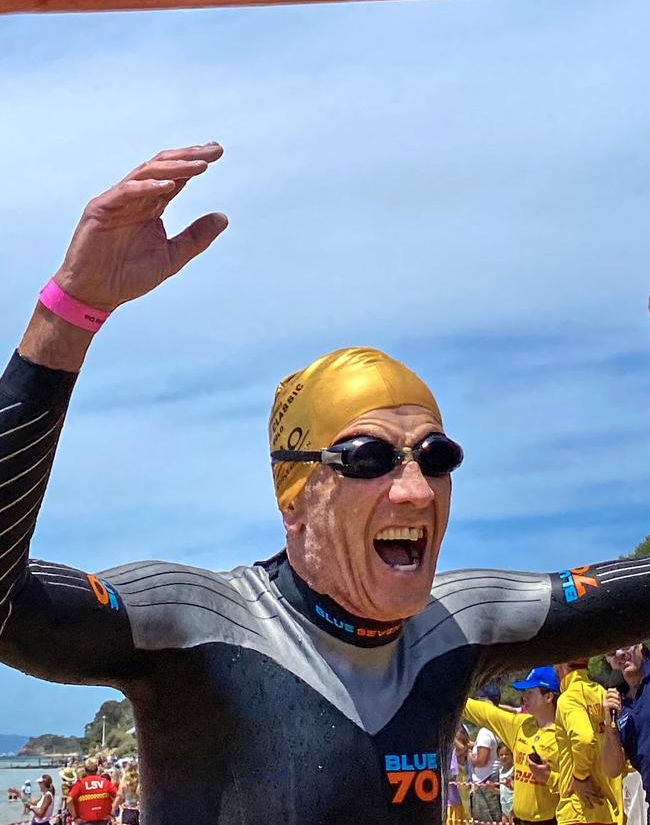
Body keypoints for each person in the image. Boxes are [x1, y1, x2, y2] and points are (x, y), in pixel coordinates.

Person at [2, 144, 650, 824]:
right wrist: (67, 313)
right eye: (368, 459)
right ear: (295, 501)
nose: (417, 491)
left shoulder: (458, 626)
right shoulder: (197, 626)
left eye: (437, 457)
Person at [463, 666, 561, 825]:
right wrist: (455, 699)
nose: (524, 698)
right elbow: (486, 713)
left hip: (549, 821)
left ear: (549, 696)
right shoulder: (521, 725)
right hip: (518, 820)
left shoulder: (562, 735)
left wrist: (549, 777)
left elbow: (575, 785)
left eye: (530, 692)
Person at [553, 660, 622, 825]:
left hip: (580, 809)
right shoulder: (603, 693)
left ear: (560, 665)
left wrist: (580, 777)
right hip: (608, 808)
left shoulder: (568, 699)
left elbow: (584, 739)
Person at [601, 644, 650, 821]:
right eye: (612, 652)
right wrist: (609, 728)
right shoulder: (617, 702)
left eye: (625, 645)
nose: (620, 654)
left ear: (640, 644)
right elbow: (612, 769)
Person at [469, 684, 503, 825]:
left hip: (484, 781)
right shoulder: (497, 725)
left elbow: (482, 760)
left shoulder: (485, 731)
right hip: (494, 778)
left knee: (484, 820)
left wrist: (470, 756)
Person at [67, 758, 117, 825]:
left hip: (85, 821)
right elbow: (119, 796)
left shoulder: (80, 784)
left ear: (85, 770)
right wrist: (111, 812)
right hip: (103, 820)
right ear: (97, 769)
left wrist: (75, 817)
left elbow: (69, 801)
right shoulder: (105, 782)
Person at [448, 726, 473, 825]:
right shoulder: (452, 764)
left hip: (467, 803)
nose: (456, 750)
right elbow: (461, 747)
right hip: (455, 803)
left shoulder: (469, 761)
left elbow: (463, 747)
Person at [498, 743, 515, 825]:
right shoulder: (500, 771)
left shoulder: (514, 769)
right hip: (504, 806)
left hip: (513, 806)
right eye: (501, 755)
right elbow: (501, 791)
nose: (504, 757)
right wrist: (491, 788)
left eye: (506, 754)